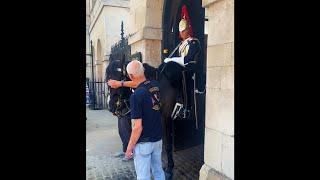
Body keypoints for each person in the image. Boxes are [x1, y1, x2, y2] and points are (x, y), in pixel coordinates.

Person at [124, 60, 165, 180]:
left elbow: (137, 127)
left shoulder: (136, 96)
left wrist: (129, 148)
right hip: (158, 140)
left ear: (131, 76)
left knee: (143, 176)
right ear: (143, 71)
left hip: (143, 144)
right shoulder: (155, 85)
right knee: (158, 171)